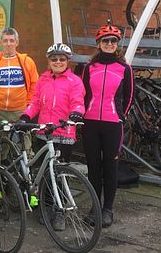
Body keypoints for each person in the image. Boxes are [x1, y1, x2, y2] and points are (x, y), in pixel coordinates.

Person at [20, 43, 85, 231]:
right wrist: (26, 115)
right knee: (45, 174)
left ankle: (60, 211)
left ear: (67, 62)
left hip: (63, 133)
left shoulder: (74, 81)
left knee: (60, 175)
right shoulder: (43, 80)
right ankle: (46, 206)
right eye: (54, 59)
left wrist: (76, 114)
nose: (58, 62)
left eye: (62, 59)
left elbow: (78, 102)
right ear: (49, 61)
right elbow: (35, 103)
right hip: (43, 133)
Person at [81, 23, 133, 228]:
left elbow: (129, 96)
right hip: (91, 123)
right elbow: (83, 94)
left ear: (117, 44)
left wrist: (121, 116)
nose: (109, 44)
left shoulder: (124, 68)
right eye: (105, 41)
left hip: (113, 124)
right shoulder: (89, 68)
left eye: (113, 41)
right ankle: (94, 207)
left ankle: (107, 209)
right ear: (99, 44)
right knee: (93, 168)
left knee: (111, 167)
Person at [0, 27, 39, 156]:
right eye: (5, 40)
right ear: (1, 43)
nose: (9, 44)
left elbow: (35, 85)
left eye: (12, 40)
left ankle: (25, 174)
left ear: (17, 42)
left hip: (19, 111)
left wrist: (27, 104)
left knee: (24, 146)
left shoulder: (27, 61)